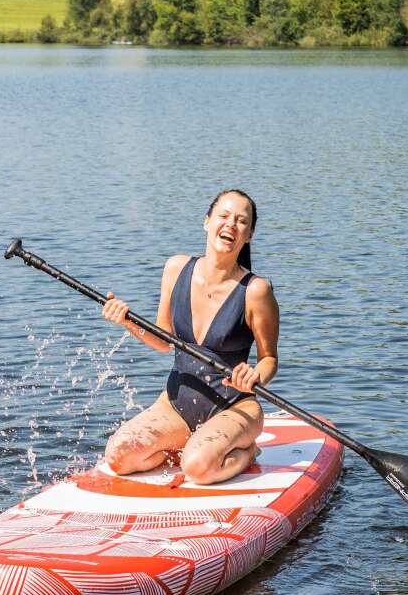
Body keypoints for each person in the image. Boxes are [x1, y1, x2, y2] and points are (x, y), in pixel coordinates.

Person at [100, 189, 279, 485]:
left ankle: (247, 450)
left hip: (234, 407)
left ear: (249, 234)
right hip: (175, 404)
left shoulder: (256, 291)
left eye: (241, 221)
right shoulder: (176, 268)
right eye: (223, 216)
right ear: (207, 221)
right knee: (119, 456)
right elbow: (162, 340)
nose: (230, 224)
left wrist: (255, 375)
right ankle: (189, 444)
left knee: (197, 468)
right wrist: (127, 321)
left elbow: (269, 359)